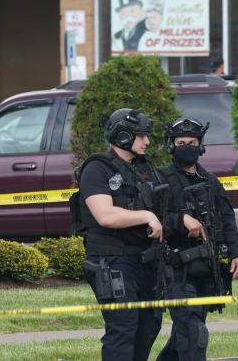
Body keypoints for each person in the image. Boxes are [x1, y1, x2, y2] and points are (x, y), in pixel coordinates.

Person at [74, 108, 165, 360]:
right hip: (112, 260)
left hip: (145, 260)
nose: (147, 141)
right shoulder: (97, 169)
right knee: (123, 327)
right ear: (123, 136)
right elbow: (105, 216)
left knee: (149, 326)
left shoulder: (144, 169)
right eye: (141, 136)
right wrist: (147, 216)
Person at [156, 117, 238, 361]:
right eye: (181, 142)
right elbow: (150, 221)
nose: (187, 146)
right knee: (195, 333)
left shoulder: (210, 181)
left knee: (184, 336)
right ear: (172, 145)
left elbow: (228, 221)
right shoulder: (160, 180)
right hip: (176, 270)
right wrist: (180, 219)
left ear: (201, 145)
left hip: (207, 270)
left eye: (192, 142)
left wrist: (237, 254)